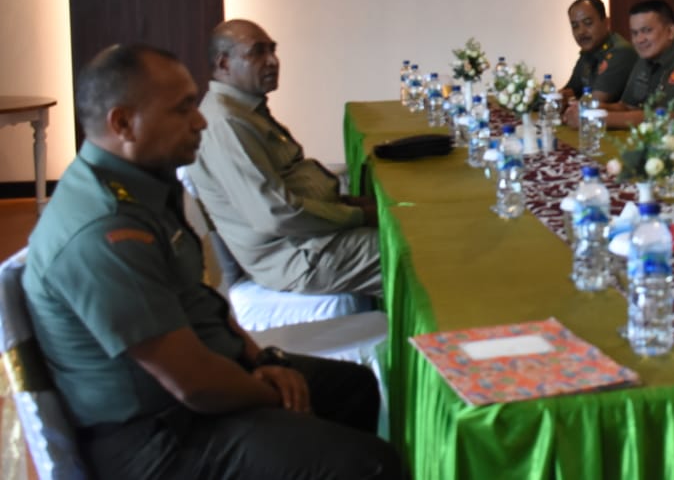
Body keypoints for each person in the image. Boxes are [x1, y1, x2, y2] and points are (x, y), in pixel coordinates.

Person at [21, 43, 402, 479]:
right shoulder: (103, 230)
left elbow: (204, 305)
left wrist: (264, 362)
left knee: (353, 388)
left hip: (197, 393)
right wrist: (272, 393)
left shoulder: (140, 186)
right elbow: (192, 382)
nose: (200, 121)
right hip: (159, 439)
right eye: (182, 109)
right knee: (371, 464)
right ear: (122, 123)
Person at [188, 20, 380, 296]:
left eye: (273, 50)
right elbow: (275, 214)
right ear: (224, 63)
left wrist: (344, 203)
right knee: (417, 249)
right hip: (300, 256)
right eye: (257, 52)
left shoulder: (245, 109)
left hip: (312, 239)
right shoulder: (227, 124)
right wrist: (358, 216)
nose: (272, 61)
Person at [566, 0, 674, 156]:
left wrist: (594, 119)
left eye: (647, 31)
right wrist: (590, 108)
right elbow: (627, 107)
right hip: (662, 151)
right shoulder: (646, 58)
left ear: (670, 31)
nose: (639, 40)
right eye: (634, 33)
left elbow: (662, 119)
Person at [560, 0, 638, 102]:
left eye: (588, 23)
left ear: (606, 22)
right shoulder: (588, 53)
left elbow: (595, 103)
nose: (581, 32)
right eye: (575, 26)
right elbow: (571, 90)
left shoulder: (620, 51)